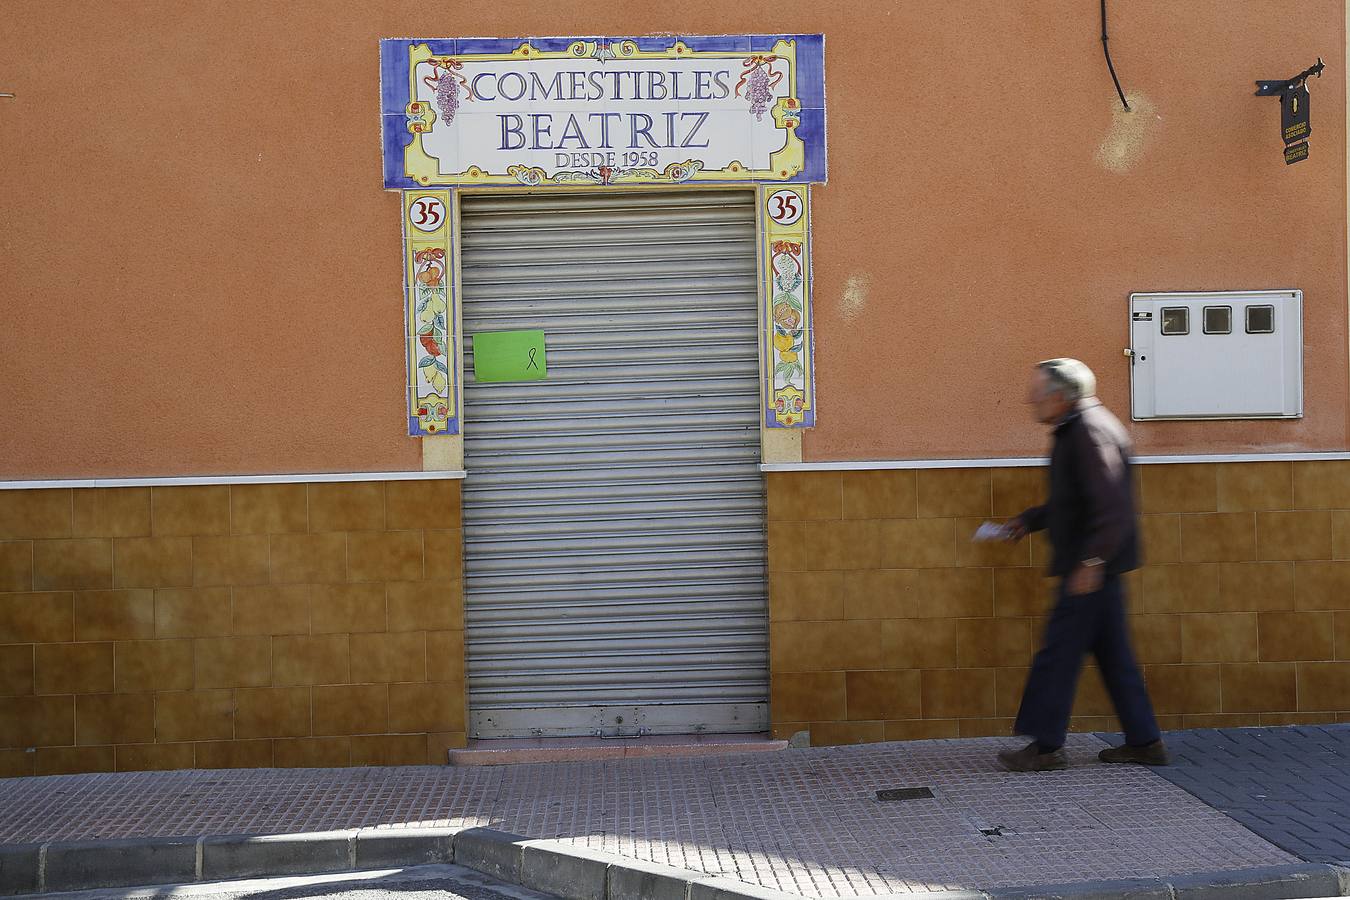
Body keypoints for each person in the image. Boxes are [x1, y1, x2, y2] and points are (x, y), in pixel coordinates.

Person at [996, 358, 1169, 772]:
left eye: (1037, 393)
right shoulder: (1080, 429)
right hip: (1096, 568)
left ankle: (1046, 747)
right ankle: (1144, 741)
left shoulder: (1088, 432)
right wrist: (1031, 520)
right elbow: (1074, 501)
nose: (1030, 400)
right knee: (1114, 657)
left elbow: (1112, 506)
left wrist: (1093, 560)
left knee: (1059, 655)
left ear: (1059, 396)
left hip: (1088, 569)